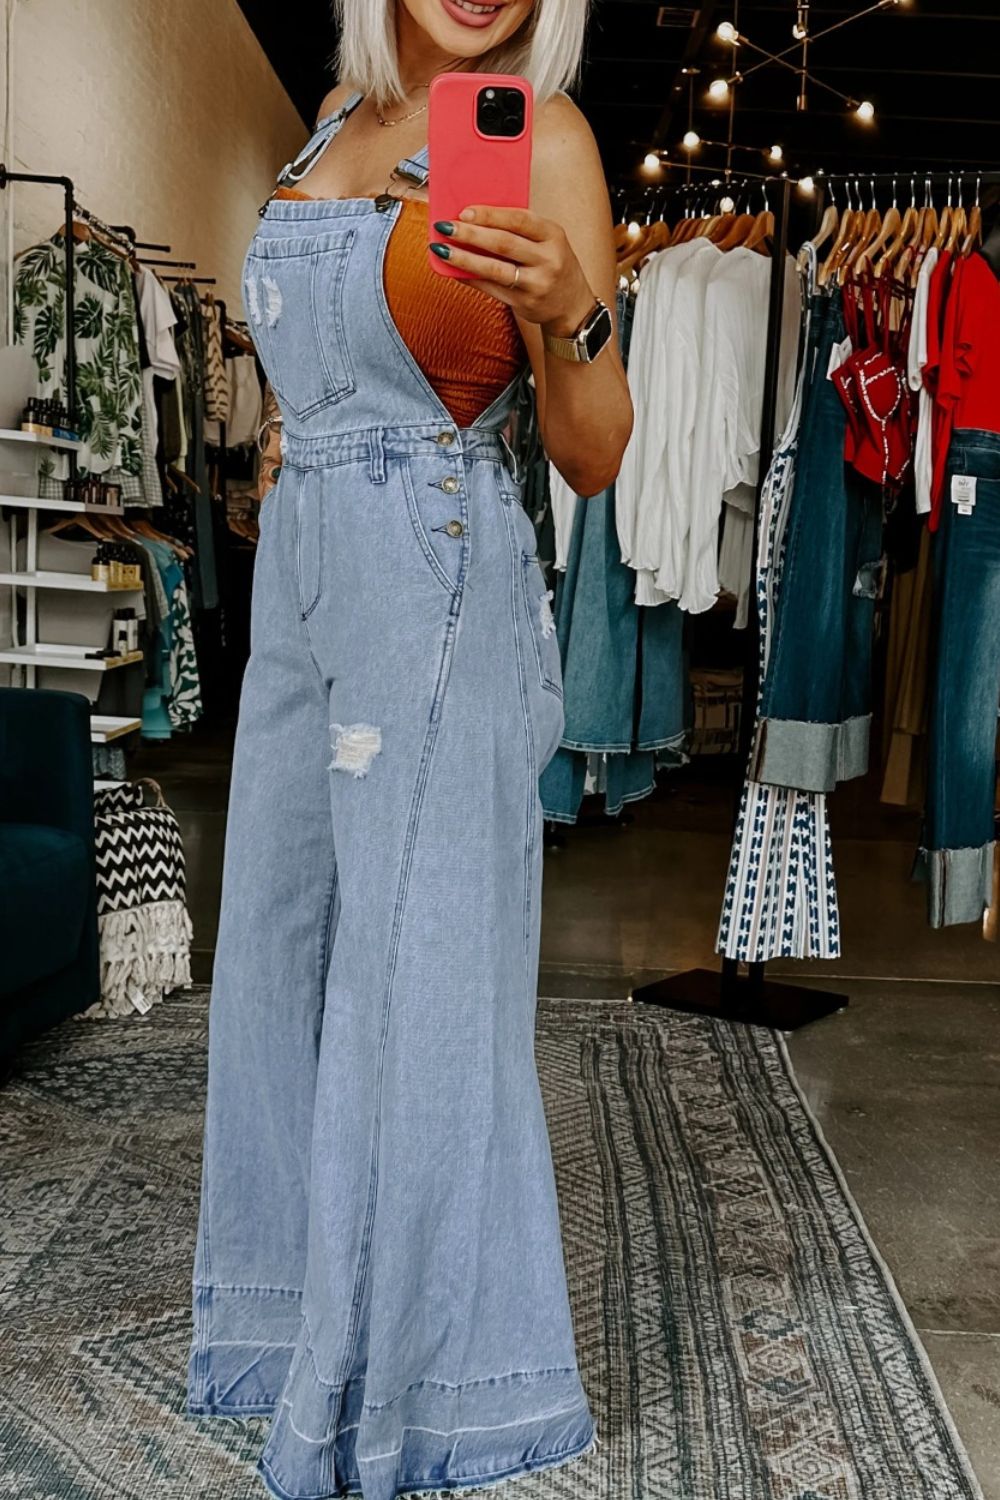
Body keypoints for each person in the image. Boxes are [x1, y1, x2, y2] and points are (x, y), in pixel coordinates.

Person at [187, 2, 632, 1497]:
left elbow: (592, 449)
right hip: (308, 579)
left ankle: (435, 1392)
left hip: (440, 567)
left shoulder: (544, 139)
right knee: (279, 961)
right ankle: (287, 1325)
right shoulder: (330, 114)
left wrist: (573, 310)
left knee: (413, 993)